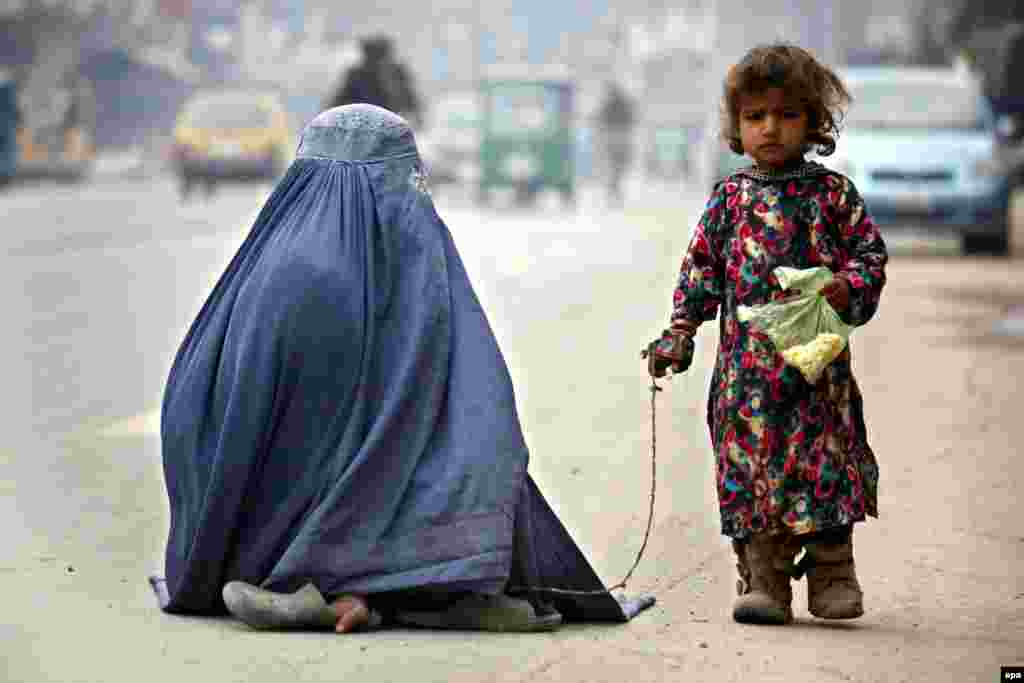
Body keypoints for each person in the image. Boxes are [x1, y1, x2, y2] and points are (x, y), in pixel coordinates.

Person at [150, 103, 654, 633]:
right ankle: (397, 585)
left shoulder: (271, 264)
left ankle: (347, 588)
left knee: (399, 450)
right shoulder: (404, 260)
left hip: (251, 534)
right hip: (340, 512)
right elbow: (480, 411)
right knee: (442, 452)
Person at [647, 44, 887, 625]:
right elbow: (701, 271)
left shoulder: (833, 196)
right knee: (750, 472)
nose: (770, 129)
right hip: (745, 381)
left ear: (814, 122)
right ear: (737, 126)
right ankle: (764, 579)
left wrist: (846, 287)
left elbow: (870, 256)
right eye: (755, 117)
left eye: (786, 115)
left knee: (826, 465)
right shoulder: (731, 200)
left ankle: (833, 574)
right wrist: (679, 332)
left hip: (816, 374)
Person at [325, 35, 424, 129]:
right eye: (372, 57)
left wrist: (417, 115)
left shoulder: (396, 73)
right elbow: (340, 99)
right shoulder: (357, 75)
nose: (376, 62)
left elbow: (409, 96)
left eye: (379, 56)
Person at [596, 81, 635, 205]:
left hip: (612, 136)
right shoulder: (625, 103)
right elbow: (632, 118)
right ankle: (615, 189)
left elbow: (600, 119)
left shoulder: (607, 104)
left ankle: (613, 189)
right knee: (619, 165)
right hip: (623, 135)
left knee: (612, 165)